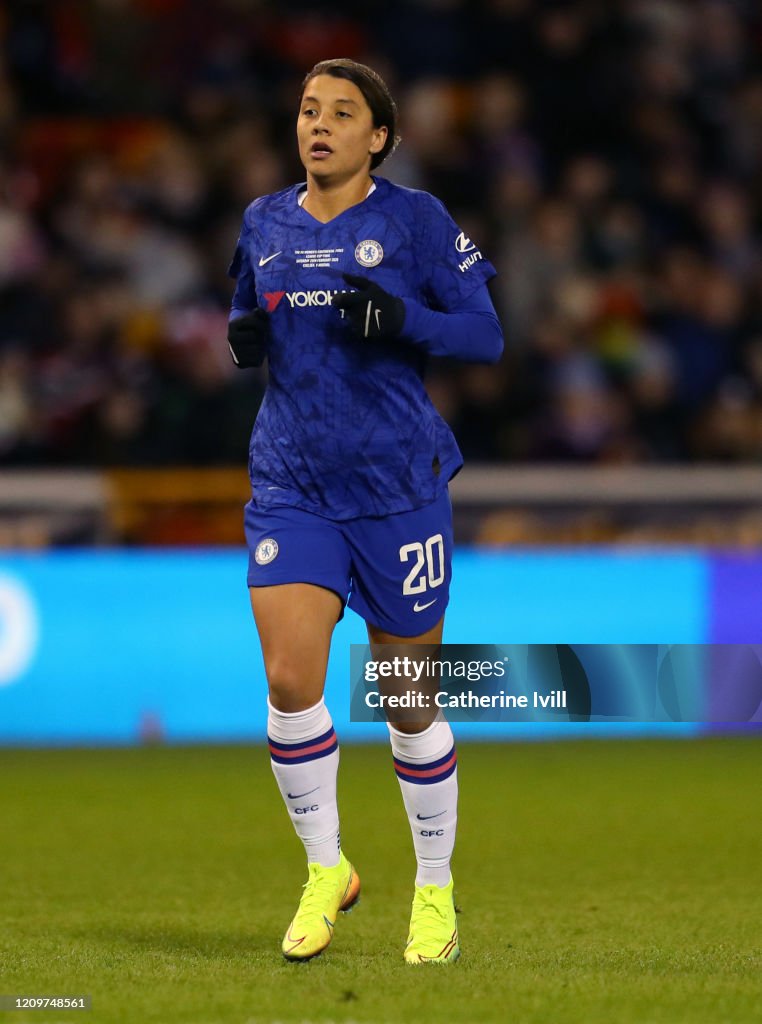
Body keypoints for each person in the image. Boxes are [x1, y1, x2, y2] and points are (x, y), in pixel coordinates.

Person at [226, 58, 503, 964]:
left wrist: (407, 322)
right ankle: (323, 869)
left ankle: (434, 888)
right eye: (309, 109)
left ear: (377, 137)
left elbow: (487, 333)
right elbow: (248, 309)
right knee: (290, 682)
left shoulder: (415, 220)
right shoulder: (263, 221)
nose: (320, 124)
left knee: (407, 700)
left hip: (396, 490)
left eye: (343, 113)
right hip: (292, 483)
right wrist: (244, 335)